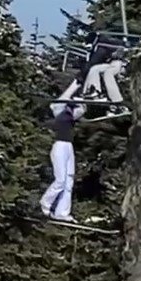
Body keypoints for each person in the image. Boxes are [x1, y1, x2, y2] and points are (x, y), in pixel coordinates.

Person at [39, 95, 85, 223]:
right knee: (60, 180)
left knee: (69, 181)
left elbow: (81, 110)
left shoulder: (70, 115)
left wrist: (81, 100)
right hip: (59, 147)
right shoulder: (61, 114)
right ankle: (45, 203)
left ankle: (62, 212)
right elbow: (58, 104)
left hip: (68, 147)